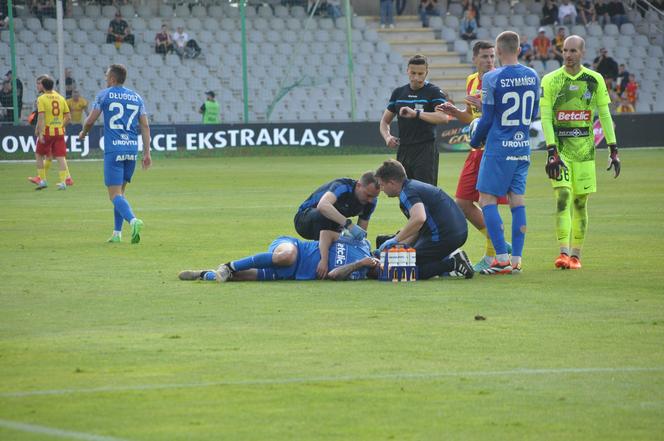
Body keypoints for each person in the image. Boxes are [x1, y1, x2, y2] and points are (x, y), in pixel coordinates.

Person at [540, 35, 620, 270]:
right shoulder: (551, 80)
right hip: (561, 152)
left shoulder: (594, 80)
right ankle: (563, 253)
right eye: (565, 50)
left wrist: (613, 149)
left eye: (573, 50)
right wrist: (551, 149)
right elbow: (545, 117)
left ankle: (576, 256)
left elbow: (604, 115)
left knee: (580, 202)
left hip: (585, 152)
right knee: (563, 197)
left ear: (582, 53)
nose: (568, 55)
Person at [468, 31, 540, 275]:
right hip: (522, 148)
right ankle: (517, 260)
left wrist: (475, 140)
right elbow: (532, 115)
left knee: (486, 200)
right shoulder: (532, 75)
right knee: (517, 201)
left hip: (498, 148)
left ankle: (500, 259)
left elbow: (487, 119)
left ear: (498, 52)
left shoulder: (492, 77)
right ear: (519, 49)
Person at [435, 41, 511, 272]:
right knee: (463, 203)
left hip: (495, 151)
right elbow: (471, 117)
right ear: (475, 59)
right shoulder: (471, 81)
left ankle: (493, 255)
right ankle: (499, 243)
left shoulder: (501, 81)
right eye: (485, 57)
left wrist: (485, 107)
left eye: (492, 56)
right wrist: (455, 112)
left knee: (488, 203)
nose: (490, 61)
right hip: (476, 150)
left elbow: (506, 117)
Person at [78, 64, 151, 244]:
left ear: (112, 79)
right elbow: (145, 126)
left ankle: (133, 221)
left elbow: (90, 120)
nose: (105, 79)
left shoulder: (104, 94)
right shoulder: (136, 97)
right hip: (131, 150)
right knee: (120, 193)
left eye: (106, 76)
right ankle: (117, 234)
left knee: (114, 195)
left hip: (114, 150)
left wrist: (83, 133)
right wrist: (147, 153)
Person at [374, 159, 474, 279]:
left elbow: (419, 218)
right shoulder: (413, 186)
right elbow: (417, 228)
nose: (381, 189)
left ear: (392, 183)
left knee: (406, 267)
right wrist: (398, 244)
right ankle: (444, 260)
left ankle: (453, 263)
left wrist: (395, 240)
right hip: (458, 232)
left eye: (382, 185)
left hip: (445, 236)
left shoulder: (407, 193)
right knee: (405, 255)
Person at [178, 232, 381, 282]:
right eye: (381, 265)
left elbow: (333, 275)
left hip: (291, 274)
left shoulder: (358, 274)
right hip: (296, 248)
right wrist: (323, 259)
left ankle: (204, 274)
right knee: (287, 256)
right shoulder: (360, 242)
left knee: (240, 278)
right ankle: (228, 265)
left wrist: (358, 265)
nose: (378, 269)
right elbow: (326, 234)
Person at [380, 55, 449, 186]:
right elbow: (384, 122)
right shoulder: (399, 93)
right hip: (404, 149)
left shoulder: (434, 92)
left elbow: (443, 117)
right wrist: (387, 137)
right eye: (413, 73)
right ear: (407, 71)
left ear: (426, 73)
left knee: (425, 192)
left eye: (420, 73)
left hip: (425, 149)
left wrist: (416, 114)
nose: (416, 78)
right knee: (404, 192)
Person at [294, 172, 380, 241]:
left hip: (333, 223)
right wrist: (349, 225)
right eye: (368, 195)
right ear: (358, 185)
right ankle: (319, 254)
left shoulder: (371, 202)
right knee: (322, 214)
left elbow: (361, 231)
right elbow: (323, 206)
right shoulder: (342, 186)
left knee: (349, 240)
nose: (370, 200)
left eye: (374, 196)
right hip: (304, 220)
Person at [28, 75, 73, 191]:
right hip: (59, 132)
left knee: (39, 154)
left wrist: (40, 131)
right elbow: (68, 117)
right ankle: (63, 182)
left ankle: (42, 180)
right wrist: (60, 126)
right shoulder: (61, 98)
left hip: (47, 131)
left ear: (43, 86)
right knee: (60, 157)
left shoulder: (42, 99)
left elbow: (41, 117)